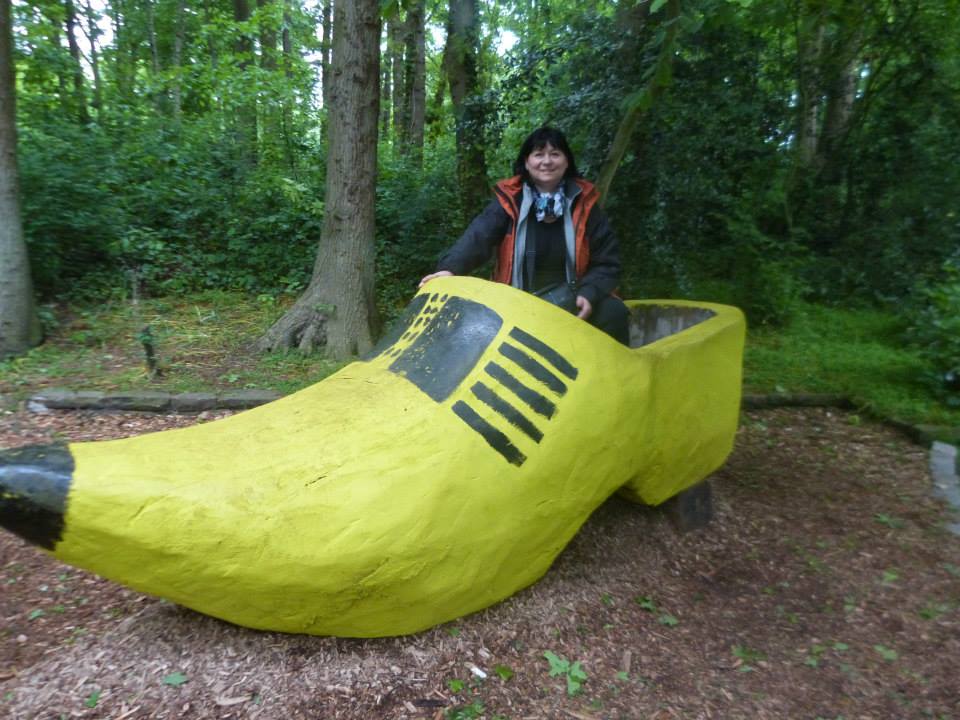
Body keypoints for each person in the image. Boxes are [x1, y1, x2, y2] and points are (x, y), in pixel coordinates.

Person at [419, 126, 631, 345]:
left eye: (555, 154)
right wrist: (450, 269)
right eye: (538, 154)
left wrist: (589, 292)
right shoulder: (510, 200)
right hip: (516, 301)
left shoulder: (584, 203)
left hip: (572, 299)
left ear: (567, 161)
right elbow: (478, 237)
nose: (547, 161)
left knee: (614, 312)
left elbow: (607, 261)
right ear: (527, 162)